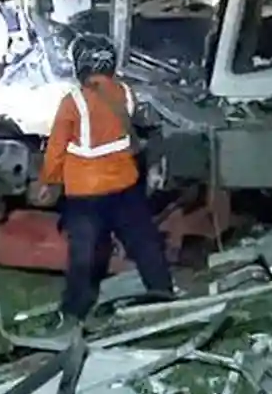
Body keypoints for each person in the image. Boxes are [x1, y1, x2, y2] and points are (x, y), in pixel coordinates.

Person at [34, 33, 175, 338]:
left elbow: (56, 149)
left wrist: (48, 181)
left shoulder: (72, 103)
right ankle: (163, 293)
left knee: (82, 255)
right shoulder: (125, 93)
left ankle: (74, 312)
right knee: (144, 243)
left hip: (85, 195)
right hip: (124, 188)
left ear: (80, 65)